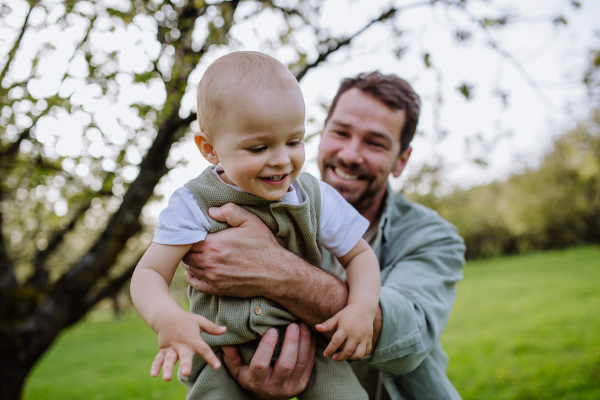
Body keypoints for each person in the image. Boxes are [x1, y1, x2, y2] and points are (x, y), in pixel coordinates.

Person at [183, 71, 467, 400]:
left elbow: (403, 339)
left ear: (401, 160)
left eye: (375, 142)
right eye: (340, 133)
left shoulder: (432, 237)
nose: (349, 154)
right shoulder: (264, 202)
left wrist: (274, 269)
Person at [130, 52, 383, 400]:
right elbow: (149, 274)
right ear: (210, 149)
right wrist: (166, 318)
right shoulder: (192, 204)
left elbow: (361, 257)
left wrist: (362, 307)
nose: (281, 159)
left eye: (294, 141)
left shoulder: (313, 196)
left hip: (313, 345)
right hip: (222, 352)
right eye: (259, 147)